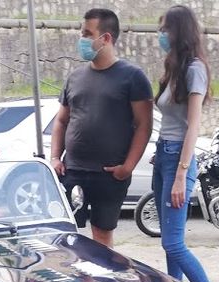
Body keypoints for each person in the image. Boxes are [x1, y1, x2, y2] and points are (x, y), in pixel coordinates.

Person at [50, 8, 154, 249]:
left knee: (102, 234)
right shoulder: (75, 77)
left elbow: (144, 125)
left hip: (109, 174)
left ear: (105, 38)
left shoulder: (132, 77)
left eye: (87, 34)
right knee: (65, 235)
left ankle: (104, 274)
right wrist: (55, 157)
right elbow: (61, 121)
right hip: (72, 170)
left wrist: (127, 167)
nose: (82, 39)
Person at [152, 5, 213, 282]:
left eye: (165, 29)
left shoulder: (195, 69)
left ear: (180, 31)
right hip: (163, 155)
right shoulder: (173, 69)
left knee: (173, 243)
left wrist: (180, 174)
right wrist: (160, 155)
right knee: (169, 242)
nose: (161, 35)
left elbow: (193, 125)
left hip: (179, 159)